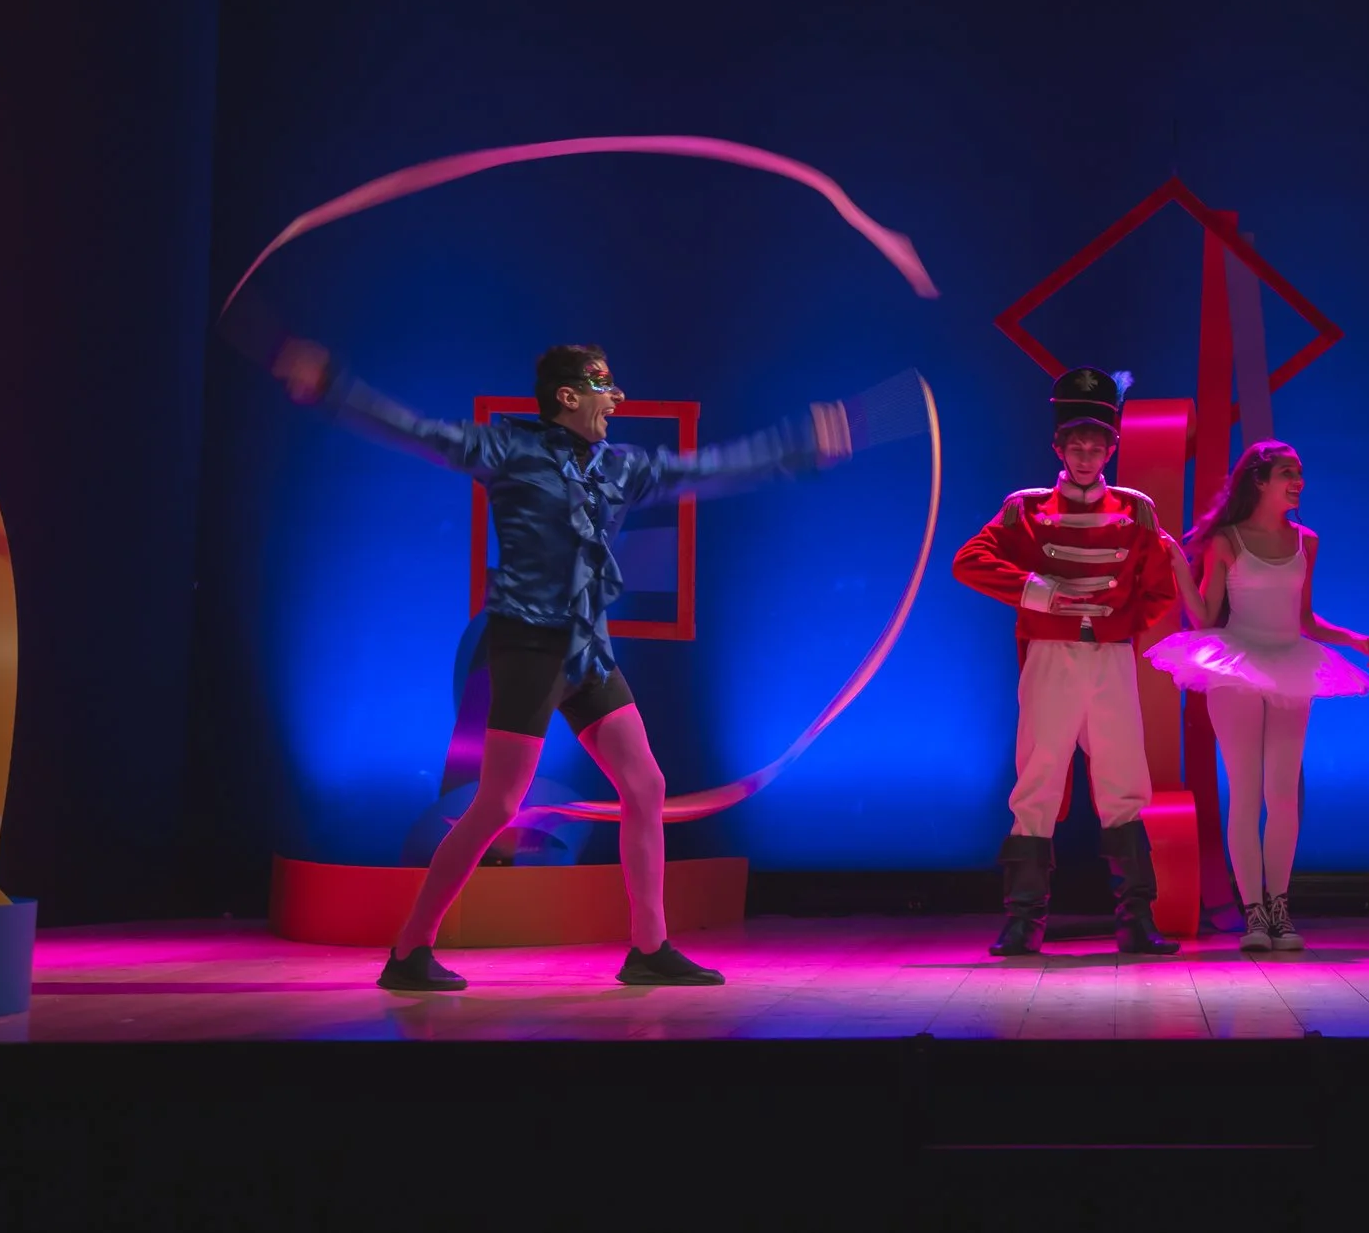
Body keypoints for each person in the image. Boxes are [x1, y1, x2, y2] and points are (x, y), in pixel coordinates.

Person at [270, 339, 858, 992]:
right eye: (604, 386)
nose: (618, 398)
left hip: (586, 649)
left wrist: (796, 447)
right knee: (497, 804)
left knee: (645, 786)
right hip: (528, 648)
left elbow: (706, 468)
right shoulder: (509, 450)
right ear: (568, 395)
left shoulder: (621, 467)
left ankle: (649, 947)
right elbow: (416, 430)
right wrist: (333, 388)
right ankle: (410, 950)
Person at [951, 367, 1182, 958]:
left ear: (1111, 449)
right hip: (1051, 657)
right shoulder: (1025, 510)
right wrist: (1036, 590)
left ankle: (1137, 921)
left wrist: (1118, 622)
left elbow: (1161, 589)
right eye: (1075, 445)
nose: (1085, 456)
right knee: (1037, 780)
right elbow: (969, 561)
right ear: (1059, 448)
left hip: (1109, 659)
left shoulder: (1136, 512)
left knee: (1124, 782)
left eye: (1095, 446)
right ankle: (1023, 922)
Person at [1149, 441, 1369, 954]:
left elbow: (1305, 619)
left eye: (1299, 473)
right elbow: (1205, 617)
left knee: (1282, 794)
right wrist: (1179, 567)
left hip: (1289, 663)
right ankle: (1253, 912)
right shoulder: (1227, 540)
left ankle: (1279, 907)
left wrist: (1352, 638)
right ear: (1260, 480)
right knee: (1246, 792)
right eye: (1286, 473)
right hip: (1237, 666)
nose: (1298, 482)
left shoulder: (1306, 540)